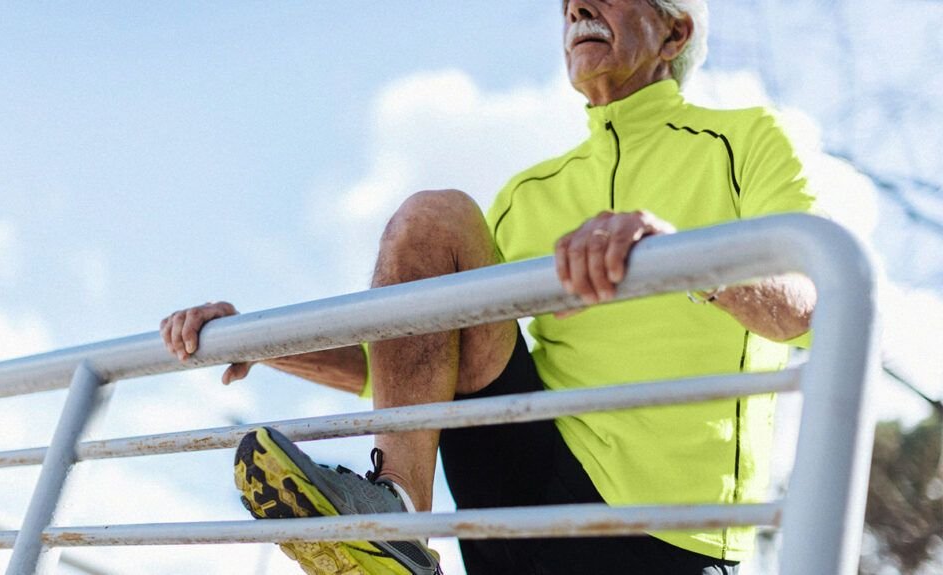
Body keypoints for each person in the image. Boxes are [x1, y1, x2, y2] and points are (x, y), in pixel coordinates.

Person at [160, 1, 818, 573]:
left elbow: (808, 304)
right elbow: (405, 366)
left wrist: (683, 258)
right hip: (522, 491)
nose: (576, 8)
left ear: (674, 35)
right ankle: (397, 524)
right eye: (567, 3)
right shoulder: (527, 195)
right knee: (432, 219)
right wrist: (251, 339)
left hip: (670, 535)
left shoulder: (747, 141)